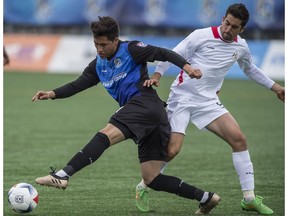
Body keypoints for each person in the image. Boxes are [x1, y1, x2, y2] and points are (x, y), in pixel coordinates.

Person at [32, 16, 221, 215]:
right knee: (152, 179)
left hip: (144, 104)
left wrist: (188, 68)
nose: (99, 49)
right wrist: (52, 94)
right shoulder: (98, 65)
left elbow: (163, 53)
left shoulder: (131, 49)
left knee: (105, 134)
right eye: (96, 44)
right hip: (151, 117)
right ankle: (206, 198)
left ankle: (64, 174)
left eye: (104, 45)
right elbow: (77, 85)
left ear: (115, 40)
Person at [135, 3, 285, 215]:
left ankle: (249, 198)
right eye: (226, 23)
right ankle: (144, 185)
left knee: (239, 139)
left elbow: (250, 69)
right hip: (182, 98)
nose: (227, 29)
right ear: (222, 18)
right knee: (171, 150)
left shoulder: (241, 47)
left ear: (241, 30)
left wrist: (276, 88)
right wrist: (157, 75)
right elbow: (170, 54)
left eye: (234, 27)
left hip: (208, 102)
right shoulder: (200, 35)